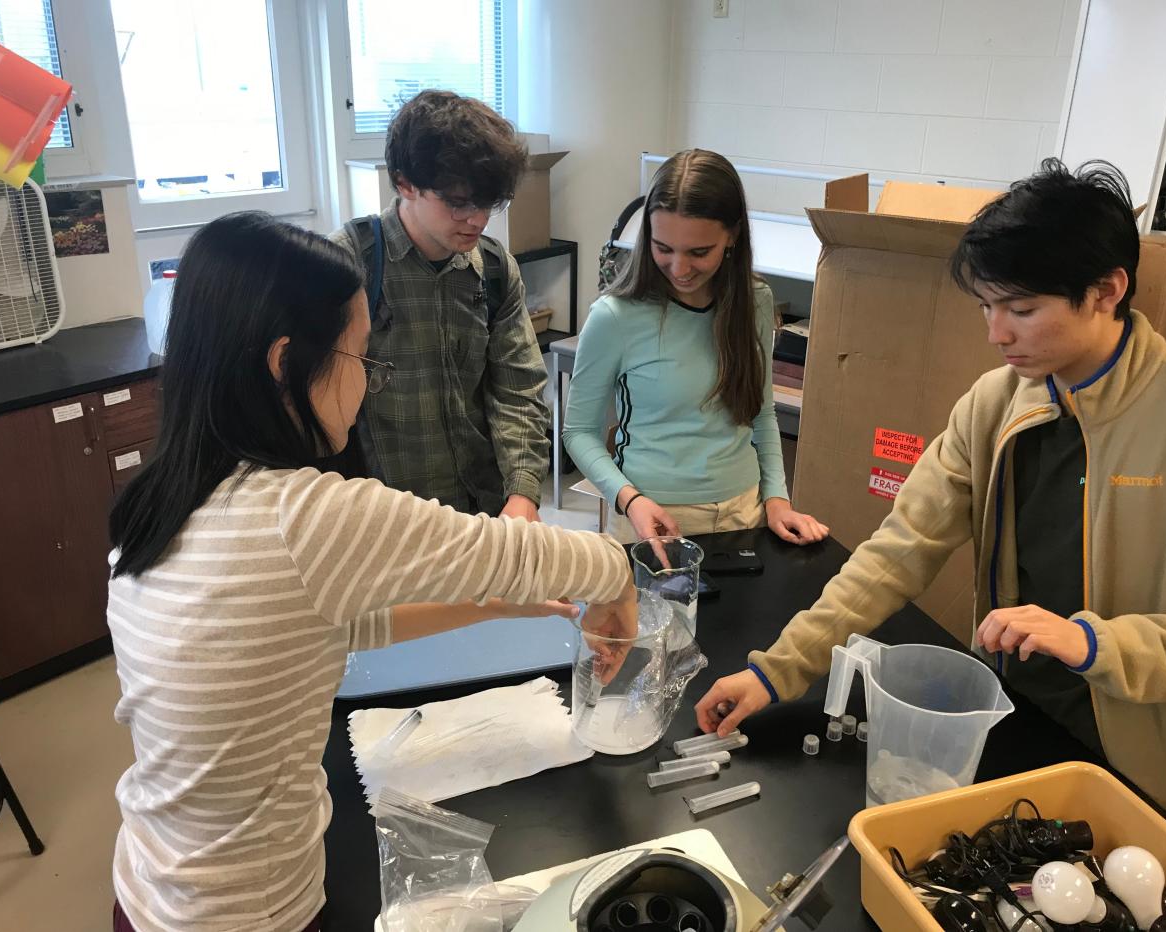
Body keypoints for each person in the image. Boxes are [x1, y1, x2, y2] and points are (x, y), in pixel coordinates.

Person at [106, 212, 636, 932]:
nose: (367, 390)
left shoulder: (161, 500)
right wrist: (617, 575)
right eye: (361, 359)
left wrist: (497, 607)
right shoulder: (304, 516)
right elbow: (527, 550)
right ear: (284, 360)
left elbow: (328, 626)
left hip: (147, 888)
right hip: (247, 911)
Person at [695, 158, 1166, 854]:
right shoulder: (996, 402)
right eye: (986, 306)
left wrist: (1097, 642)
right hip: (1015, 734)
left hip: (1146, 774)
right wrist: (778, 669)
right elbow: (897, 553)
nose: (995, 333)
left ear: (1107, 291)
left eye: (1022, 309)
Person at [562, 149, 828, 545]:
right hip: (652, 518)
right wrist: (629, 499)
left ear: (732, 237)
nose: (680, 269)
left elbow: (761, 413)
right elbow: (579, 431)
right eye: (663, 248)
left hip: (743, 511)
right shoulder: (615, 316)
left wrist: (777, 499)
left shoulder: (755, 301)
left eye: (699, 252)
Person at [329, 89, 549, 521]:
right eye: (458, 202)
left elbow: (518, 389)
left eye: (489, 202)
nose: (479, 219)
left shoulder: (493, 268)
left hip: (482, 515)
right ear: (404, 182)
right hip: (386, 523)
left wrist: (522, 493)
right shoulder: (348, 264)